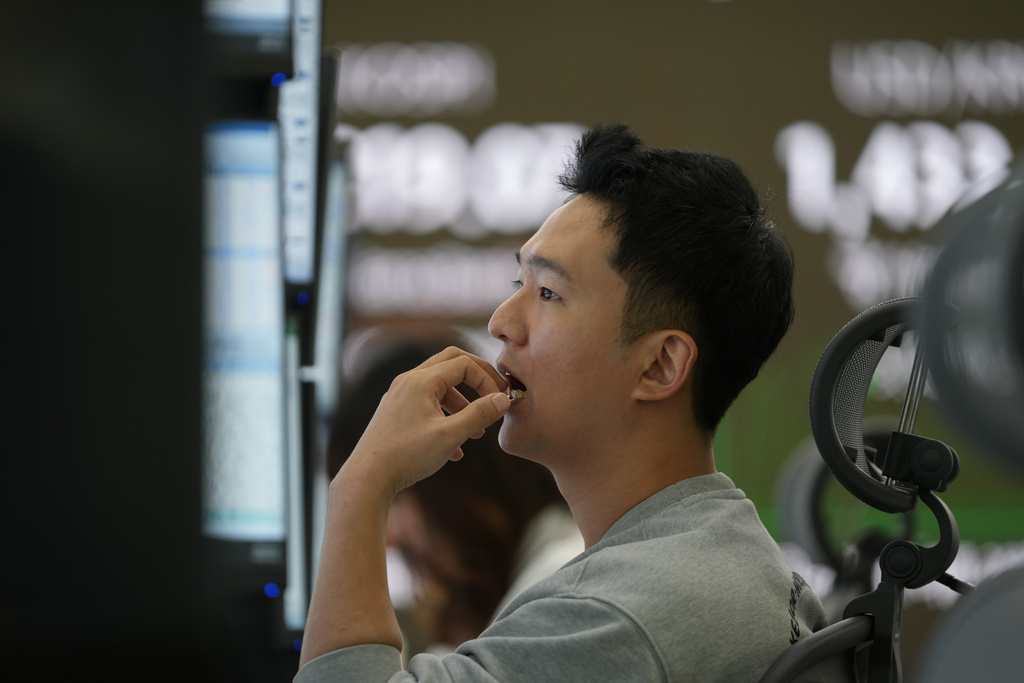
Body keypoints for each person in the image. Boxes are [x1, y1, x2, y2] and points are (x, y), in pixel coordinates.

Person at [297, 123, 826, 682]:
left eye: (548, 293)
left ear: (660, 365)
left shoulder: (613, 617)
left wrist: (362, 483)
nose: (501, 322)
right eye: (517, 282)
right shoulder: (726, 555)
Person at [326, 329, 583, 651]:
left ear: (462, 472)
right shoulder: (506, 593)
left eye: (396, 495)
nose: (390, 537)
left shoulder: (559, 584)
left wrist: (356, 489)